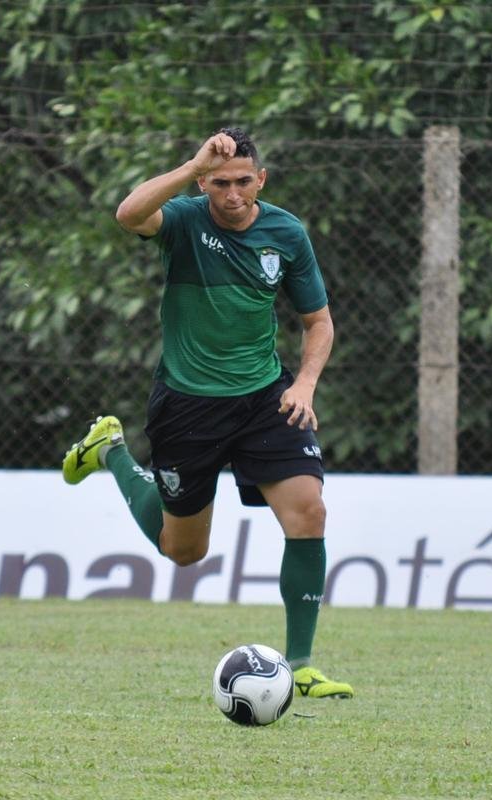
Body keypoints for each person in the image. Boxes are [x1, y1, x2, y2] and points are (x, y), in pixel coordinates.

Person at [62, 127, 352, 699]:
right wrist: (189, 166)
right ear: (204, 183)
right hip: (187, 404)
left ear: (261, 180)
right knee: (184, 551)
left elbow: (317, 322)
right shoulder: (185, 221)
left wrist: (307, 384)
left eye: (244, 181)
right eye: (220, 183)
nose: (233, 194)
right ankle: (112, 451)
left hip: (265, 399)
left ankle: (301, 663)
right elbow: (128, 214)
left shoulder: (286, 233)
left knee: (309, 512)